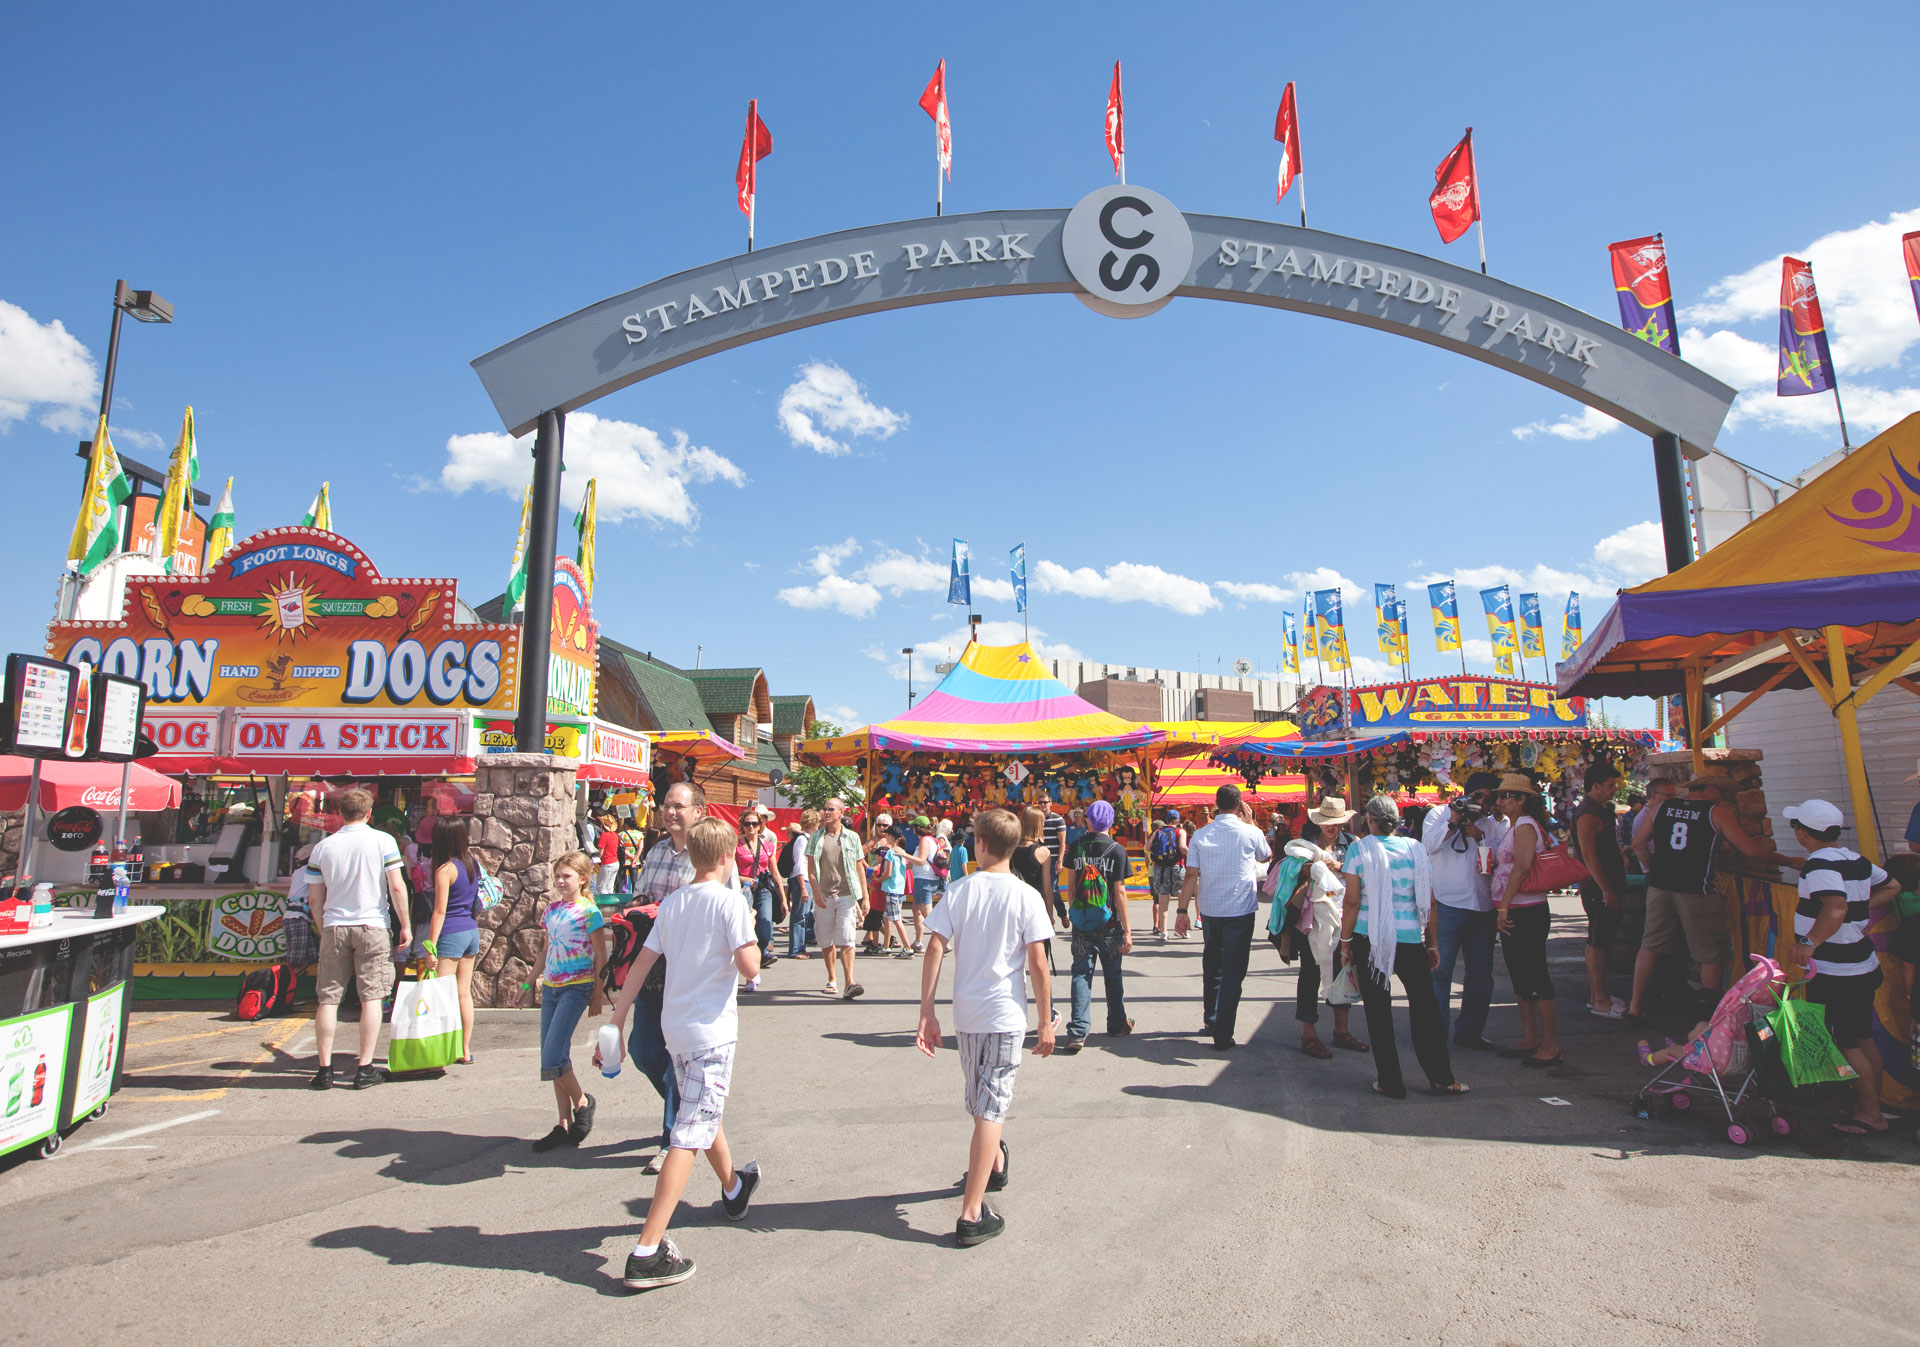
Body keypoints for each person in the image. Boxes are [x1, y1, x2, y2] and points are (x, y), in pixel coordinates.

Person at [603, 817, 762, 1289]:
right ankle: (647, 1249)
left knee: (699, 1108)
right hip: (710, 1030)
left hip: (676, 1027)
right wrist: (748, 938)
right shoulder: (731, 902)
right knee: (688, 1131)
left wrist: (617, 1018)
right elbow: (750, 965)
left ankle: (734, 1188)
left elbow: (640, 964)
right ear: (727, 857)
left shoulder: (671, 904)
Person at [916, 807, 1055, 1247]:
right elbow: (1038, 964)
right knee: (990, 1107)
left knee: (982, 1100)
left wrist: (927, 1009)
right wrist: (1046, 1020)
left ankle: (993, 1162)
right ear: (1016, 848)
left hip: (967, 1014)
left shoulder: (959, 891)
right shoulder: (1025, 896)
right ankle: (972, 1212)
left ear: (978, 843)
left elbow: (934, 946)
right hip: (1004, 1014)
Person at [1779, 799, 1901, 1137]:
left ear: (1802, 832)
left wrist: (1809, 943)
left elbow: (1835, 907)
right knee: (1861, 1036)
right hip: (1862, 963)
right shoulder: (1854, 858)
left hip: (1838, 969)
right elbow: (1892, 886)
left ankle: (1871, 1114)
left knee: (1848, 1041)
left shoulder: (1818, 864)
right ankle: (1868, 1104)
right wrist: (1858, 913)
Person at [1626, 772, 1785, 1021]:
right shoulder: (1717, 812)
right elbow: (1750, 850)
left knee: (1650, 945)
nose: (1722, 798)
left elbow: (1637, 844)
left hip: (1660, 886)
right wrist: (1790, 861)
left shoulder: (1662, 807)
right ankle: (1709, 1017)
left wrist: (1652, 870)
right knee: (1711, 954)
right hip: (1696, 889)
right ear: (1710, 789)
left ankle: (1634, 1007)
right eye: (1721, 792)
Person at [1340, 795, 1463, 1098]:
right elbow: (1429, 901)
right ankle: (1442, 1078)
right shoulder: (1415, 848)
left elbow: (1352, 900)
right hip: (1410, 938)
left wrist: (1345, 943)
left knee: (1379, 1012)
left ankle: (1390, 1082)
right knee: (1426, 1010)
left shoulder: (1358, 849)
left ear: (1370, 820)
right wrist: (1432, 944)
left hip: (1370, 939)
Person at [307, 788, 411, 1091]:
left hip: (335, 925)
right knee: (372, 998)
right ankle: (364, 1067)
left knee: (328, 999)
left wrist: (323, 925)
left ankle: (323, 1069)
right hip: (373, 925)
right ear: (369, 814)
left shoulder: (323, 848)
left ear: (340, 813)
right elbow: (397, 887)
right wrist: (404, 924)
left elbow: (315, 898)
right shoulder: (383, 842)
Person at [1178, 784, 1272, 1050]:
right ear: (1240, 804)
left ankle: (1212, 1018)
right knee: (1233, 972)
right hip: (1240, 909)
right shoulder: (1250, 832)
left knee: (1213, 964)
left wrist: (1182, 910)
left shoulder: (1201, 835)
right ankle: (1222, 1031)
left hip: (1210, 908)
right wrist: (1251, 821)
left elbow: (1191, 874)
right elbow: (1266, 855)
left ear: (1216, 804)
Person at [530, 850, 606, 1152]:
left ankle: (583, 1102)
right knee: (556, 1056)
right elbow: (544, 952)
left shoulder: (589, 912)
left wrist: (597, 993)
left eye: (567, 876)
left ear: (582, 879)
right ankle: (562, 1123)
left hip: (577, 988)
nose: (561, 881)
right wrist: (528, 983)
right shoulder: (551, 911)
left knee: (552, 1057)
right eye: (557, 877)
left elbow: (601, 956)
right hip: (551, 988)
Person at [1424, 773, 1506, 1052]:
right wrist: (1454, 821)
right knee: (1440, 971)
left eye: (1488, 798)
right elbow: (1428, 846)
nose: (1482, 803)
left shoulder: (1495, 824)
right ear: (1466, 794)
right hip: (1447, 904)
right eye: (1477, 796)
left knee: (1481, 974)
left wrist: (1482, 836)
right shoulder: (1439, 813)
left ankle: (1470, 1032)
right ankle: (1435, 1033)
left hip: (1482, 907)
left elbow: (1505, 854)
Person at [1278, 815, 1367, 1059]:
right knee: (1310, 972)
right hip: (1313, 920)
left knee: (1344, 969)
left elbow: (1364, 871)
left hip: (1345, 916)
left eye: (1337, 823)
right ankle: (1308, 1034)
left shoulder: (1351, 843)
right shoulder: (1305, 843)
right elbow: (1285, 868)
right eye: (1328, 822)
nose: (1332, 827)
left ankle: (1342, 1031)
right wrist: (1305, 868)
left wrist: (1340, 867)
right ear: (1319, 823)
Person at [1491, 774, 1561, 1067]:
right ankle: (1530, 1036)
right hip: (1518, 907)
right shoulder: (1515, 826)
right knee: (1520, 974)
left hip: (1526, 909)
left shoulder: (1525, 826)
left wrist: (1504, 907)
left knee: (1535, 974)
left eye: (1507, 795)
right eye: (1501, 795)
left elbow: (1521, 867)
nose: (1501, 800)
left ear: (1522, 799)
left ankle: (1550, 1043)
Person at [1059, 799, 1134, 1053]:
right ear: (1111, 822)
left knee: (1081, 973)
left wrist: (1075, 913)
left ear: (1088, 820)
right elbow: (1120, 892)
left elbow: (1069, 887)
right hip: (1110, 922)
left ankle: (1078, 1031)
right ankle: (1117, 1023)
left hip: (1082, 923)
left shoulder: (1076, 846)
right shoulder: (1116, 849)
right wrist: (1127, 930)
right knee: (1113, 974)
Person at [424, 817, 484, 1066]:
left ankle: (439, 1052)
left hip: (450, 933)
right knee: (463, 994)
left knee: (441, 994)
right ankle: (464, 1049)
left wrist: (430, 946)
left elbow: (439, 911)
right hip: (471, 931)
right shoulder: (473, 864)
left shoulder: (444, 870)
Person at [1571, 762, 1629, 1019]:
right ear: (1595, 786)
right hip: (1597, 886)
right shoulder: (1587, 813)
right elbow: (1589, 854)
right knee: (1598, 942)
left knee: (1599, 940)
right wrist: (1606, 888)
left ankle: (1598, 995)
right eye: (1609, 785)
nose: (1613, 789)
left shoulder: (1601, 810)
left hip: (1606, 882)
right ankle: (1599, 998)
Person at [807, 797, 866, 1000]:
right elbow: (811, 870)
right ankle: (832, 977)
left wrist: (864, 898)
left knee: (847, 938)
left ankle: (850, 982)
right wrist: (816, 891)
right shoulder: (816, 838)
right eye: (825, 809)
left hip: (846, 895)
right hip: (824, 895)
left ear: (842, 812)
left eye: (831, 809)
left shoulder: (852, 838)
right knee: (825, 939)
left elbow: (860, 868)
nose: (827, 812)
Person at [735, 809, 782, 986]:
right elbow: (729, 872)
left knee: (765, 922)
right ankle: (750, 974)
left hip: (763, 888)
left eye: (754, 823)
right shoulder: (736, 845)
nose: (751, 827)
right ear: (742, 826)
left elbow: (775, 872)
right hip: (743, 889)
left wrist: (783, 898)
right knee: (748, 928)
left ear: (760, 826)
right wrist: (744, 878)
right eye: (747, 824)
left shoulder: (767, 846)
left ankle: (761, 955)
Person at [866, 826, 915, 958]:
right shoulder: (901, 852)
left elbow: (888, 873)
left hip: (891, 888)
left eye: (887, 835)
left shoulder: (890, 853)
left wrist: (878, 879)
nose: (885, 836)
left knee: (896, 919)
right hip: (898, 888)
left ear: (892, 837)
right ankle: (886, 946)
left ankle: (908, 948)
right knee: (888, 918)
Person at [1148, 809, 1188, 941]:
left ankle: (1163, 931)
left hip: (1160, 869)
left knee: (1163, 902)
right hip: (1176, 867)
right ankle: (1180, 929)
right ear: (1177, 819)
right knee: (1181, 900)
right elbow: (1182, 847)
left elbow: (1147, 847)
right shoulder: (1180, 831)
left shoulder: (1158, 831)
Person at [783, 815, 816, 960]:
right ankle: (795, 949)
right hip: (801, 880)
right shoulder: (802, 840)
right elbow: (799, 865)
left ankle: (801, 947)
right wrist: (803, 886)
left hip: (807, 880)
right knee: (799, 915)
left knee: (805, 914)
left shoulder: (807, 839)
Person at [909, 814, 940, 953]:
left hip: (924, 878)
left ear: (918, 828)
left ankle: (943, 940)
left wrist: (903, 854)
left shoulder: (924, 841)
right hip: (926, 877)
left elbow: (921, 860)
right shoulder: (931, 840)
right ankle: (918, 941)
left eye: (914, 826)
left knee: (927, 912)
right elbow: (915, 862)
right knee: (916, 909)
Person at [595, 814, 621, 896]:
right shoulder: (615, 835)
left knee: (601, 887)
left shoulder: (604, 835)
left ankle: (603, 906)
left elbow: (601, 852)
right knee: (610, 887)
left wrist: (596, 859)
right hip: (615, 862)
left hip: (607, 863)